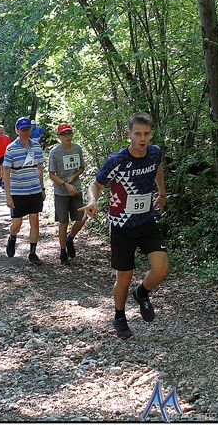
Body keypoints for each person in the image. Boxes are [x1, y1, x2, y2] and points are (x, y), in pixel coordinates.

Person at [81, 112, 168, 339]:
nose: (142, 138)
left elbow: (157, 168)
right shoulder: (118, 160)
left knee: (161, 269)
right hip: (122, 225)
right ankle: (119, 316)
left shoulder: (154, 153)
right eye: (138, 134)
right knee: (124, 277)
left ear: (151, 135)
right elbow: (95, 184)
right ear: (129, 134)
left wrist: (162, 193)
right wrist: (92, 201)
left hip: (146, 220)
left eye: (146, 134)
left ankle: (142, 293)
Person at [3, 116, 46, 266]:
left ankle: (32, 253)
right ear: (17, 130)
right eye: (23, 130)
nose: (26, 132)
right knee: (17, 223)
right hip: (18, 192)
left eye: (28, 129)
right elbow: (6, 173)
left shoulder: (36, 146)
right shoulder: (11, 148)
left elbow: (39, 168)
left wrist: (42, 188)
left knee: (35, 221)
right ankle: (12, 236)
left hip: (34, 189)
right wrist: (8, 196)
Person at [48, 123, 87, 266]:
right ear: (59, 136)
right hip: (61, 192)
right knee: (63, 222)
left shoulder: (77, 148)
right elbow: (52, 174)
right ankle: (63, 252)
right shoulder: (55, 153)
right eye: (64, 134)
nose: (67, 136)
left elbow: (81, 168)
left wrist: (74, 177)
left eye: (69, 133)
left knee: (81, 218)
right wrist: (65, 184)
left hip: (76, 189)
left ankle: (70, 239)